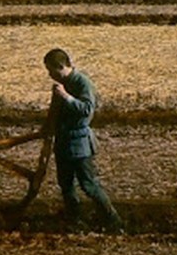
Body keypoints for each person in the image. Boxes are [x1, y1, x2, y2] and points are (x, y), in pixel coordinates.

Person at [43, 48, 124, 233]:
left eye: (51, 71)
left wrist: (66, 97)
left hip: (79, 144)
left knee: (89, 185)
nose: (50, 75)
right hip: (63, 142)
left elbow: (87, 110)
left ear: (62, 66)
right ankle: (75, 221)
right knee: (66, 185)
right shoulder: (61, 84)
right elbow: (54, 111)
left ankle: (113, 221)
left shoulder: (82, 83)